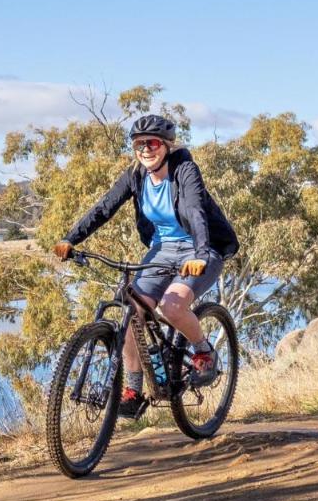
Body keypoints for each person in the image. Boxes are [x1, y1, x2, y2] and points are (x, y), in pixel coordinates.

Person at [52, 114, 239, 420]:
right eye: (139, 144)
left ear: (166, 145)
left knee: (172, 306)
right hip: (162, 250)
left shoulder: (184, 170)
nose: (145, 149)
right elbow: (105, 207)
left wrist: (202, 254)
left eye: (152, 143)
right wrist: (70, 238)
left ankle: (204, 351)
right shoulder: (136, 175)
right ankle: (133, 390)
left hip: (201, 248)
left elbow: (195, 211)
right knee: (132, 308)